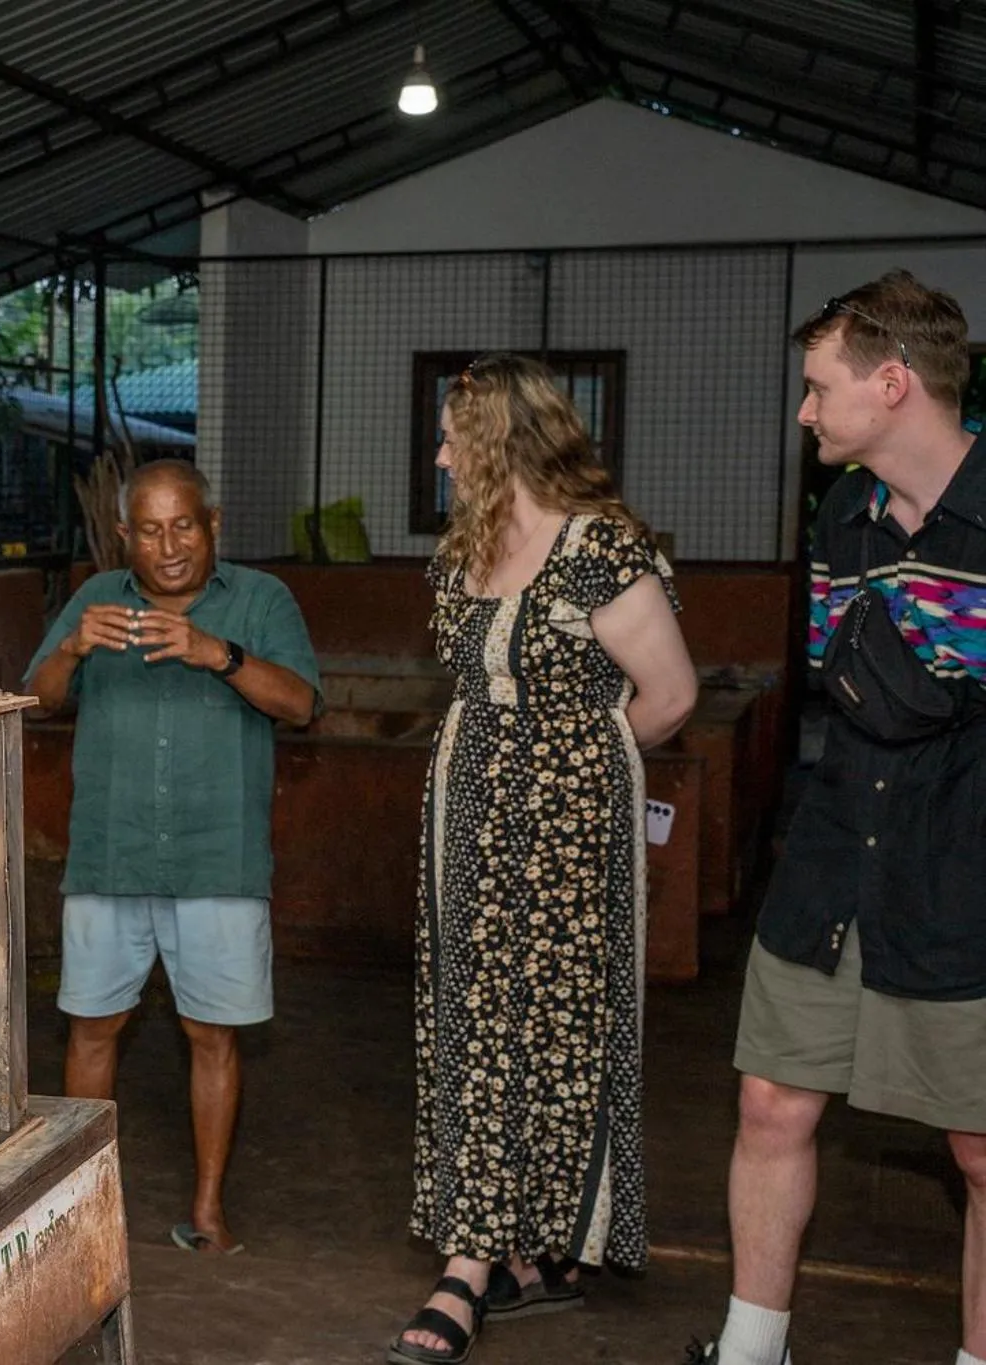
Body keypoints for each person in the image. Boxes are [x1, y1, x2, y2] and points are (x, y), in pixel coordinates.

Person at [691, 274, 986, 1365]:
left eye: (818, 388)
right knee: (770, 1101)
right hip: (832, 851)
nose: (804, 412)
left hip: (958, 864)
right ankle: (748, 1348)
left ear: (893, 384)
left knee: (978, 1149)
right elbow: (840, 685)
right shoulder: (839, 512)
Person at [395, 354, 695, 1365]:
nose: (437, 456)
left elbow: (668, 696)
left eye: (450, 437)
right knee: (472, 1023)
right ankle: (501, 1252)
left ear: (497, 443)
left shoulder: (600, 553)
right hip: (465, 815)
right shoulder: (461, 552)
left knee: (561, 1030)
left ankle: (495, 1262)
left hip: (569, 832)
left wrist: (571, 774)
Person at [25, 458, 320, 1257]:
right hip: (110, 853)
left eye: (183, 524)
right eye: (150, 529)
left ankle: (208, 1207)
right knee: (92, 1028)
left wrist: (216, 653)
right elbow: (39, 695)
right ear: (124, 536)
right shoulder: (95, 600)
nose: (169, 544)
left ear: (213, 523)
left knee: (211, 1033)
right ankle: (78, 1207)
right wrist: (75, 649)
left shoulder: (261, 600)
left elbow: (301, 703)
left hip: (216, 855)